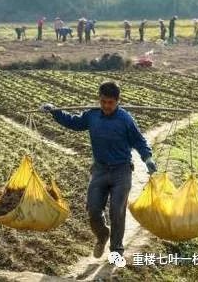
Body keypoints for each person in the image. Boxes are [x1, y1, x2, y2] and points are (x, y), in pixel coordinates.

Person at [40, 82, 157, 258]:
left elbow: (139, 141)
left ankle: (116, 250)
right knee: (93, 210)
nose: (106, 106)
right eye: (103, 102)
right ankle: (102, 235)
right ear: (99, 99)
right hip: (100, 170)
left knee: (117, 211)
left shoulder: (125, 119)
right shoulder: (92, 115)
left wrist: (147, 158)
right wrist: (55, 112)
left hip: (121, 170)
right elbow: (74, 122)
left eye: (110, 103)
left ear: (118, 101)